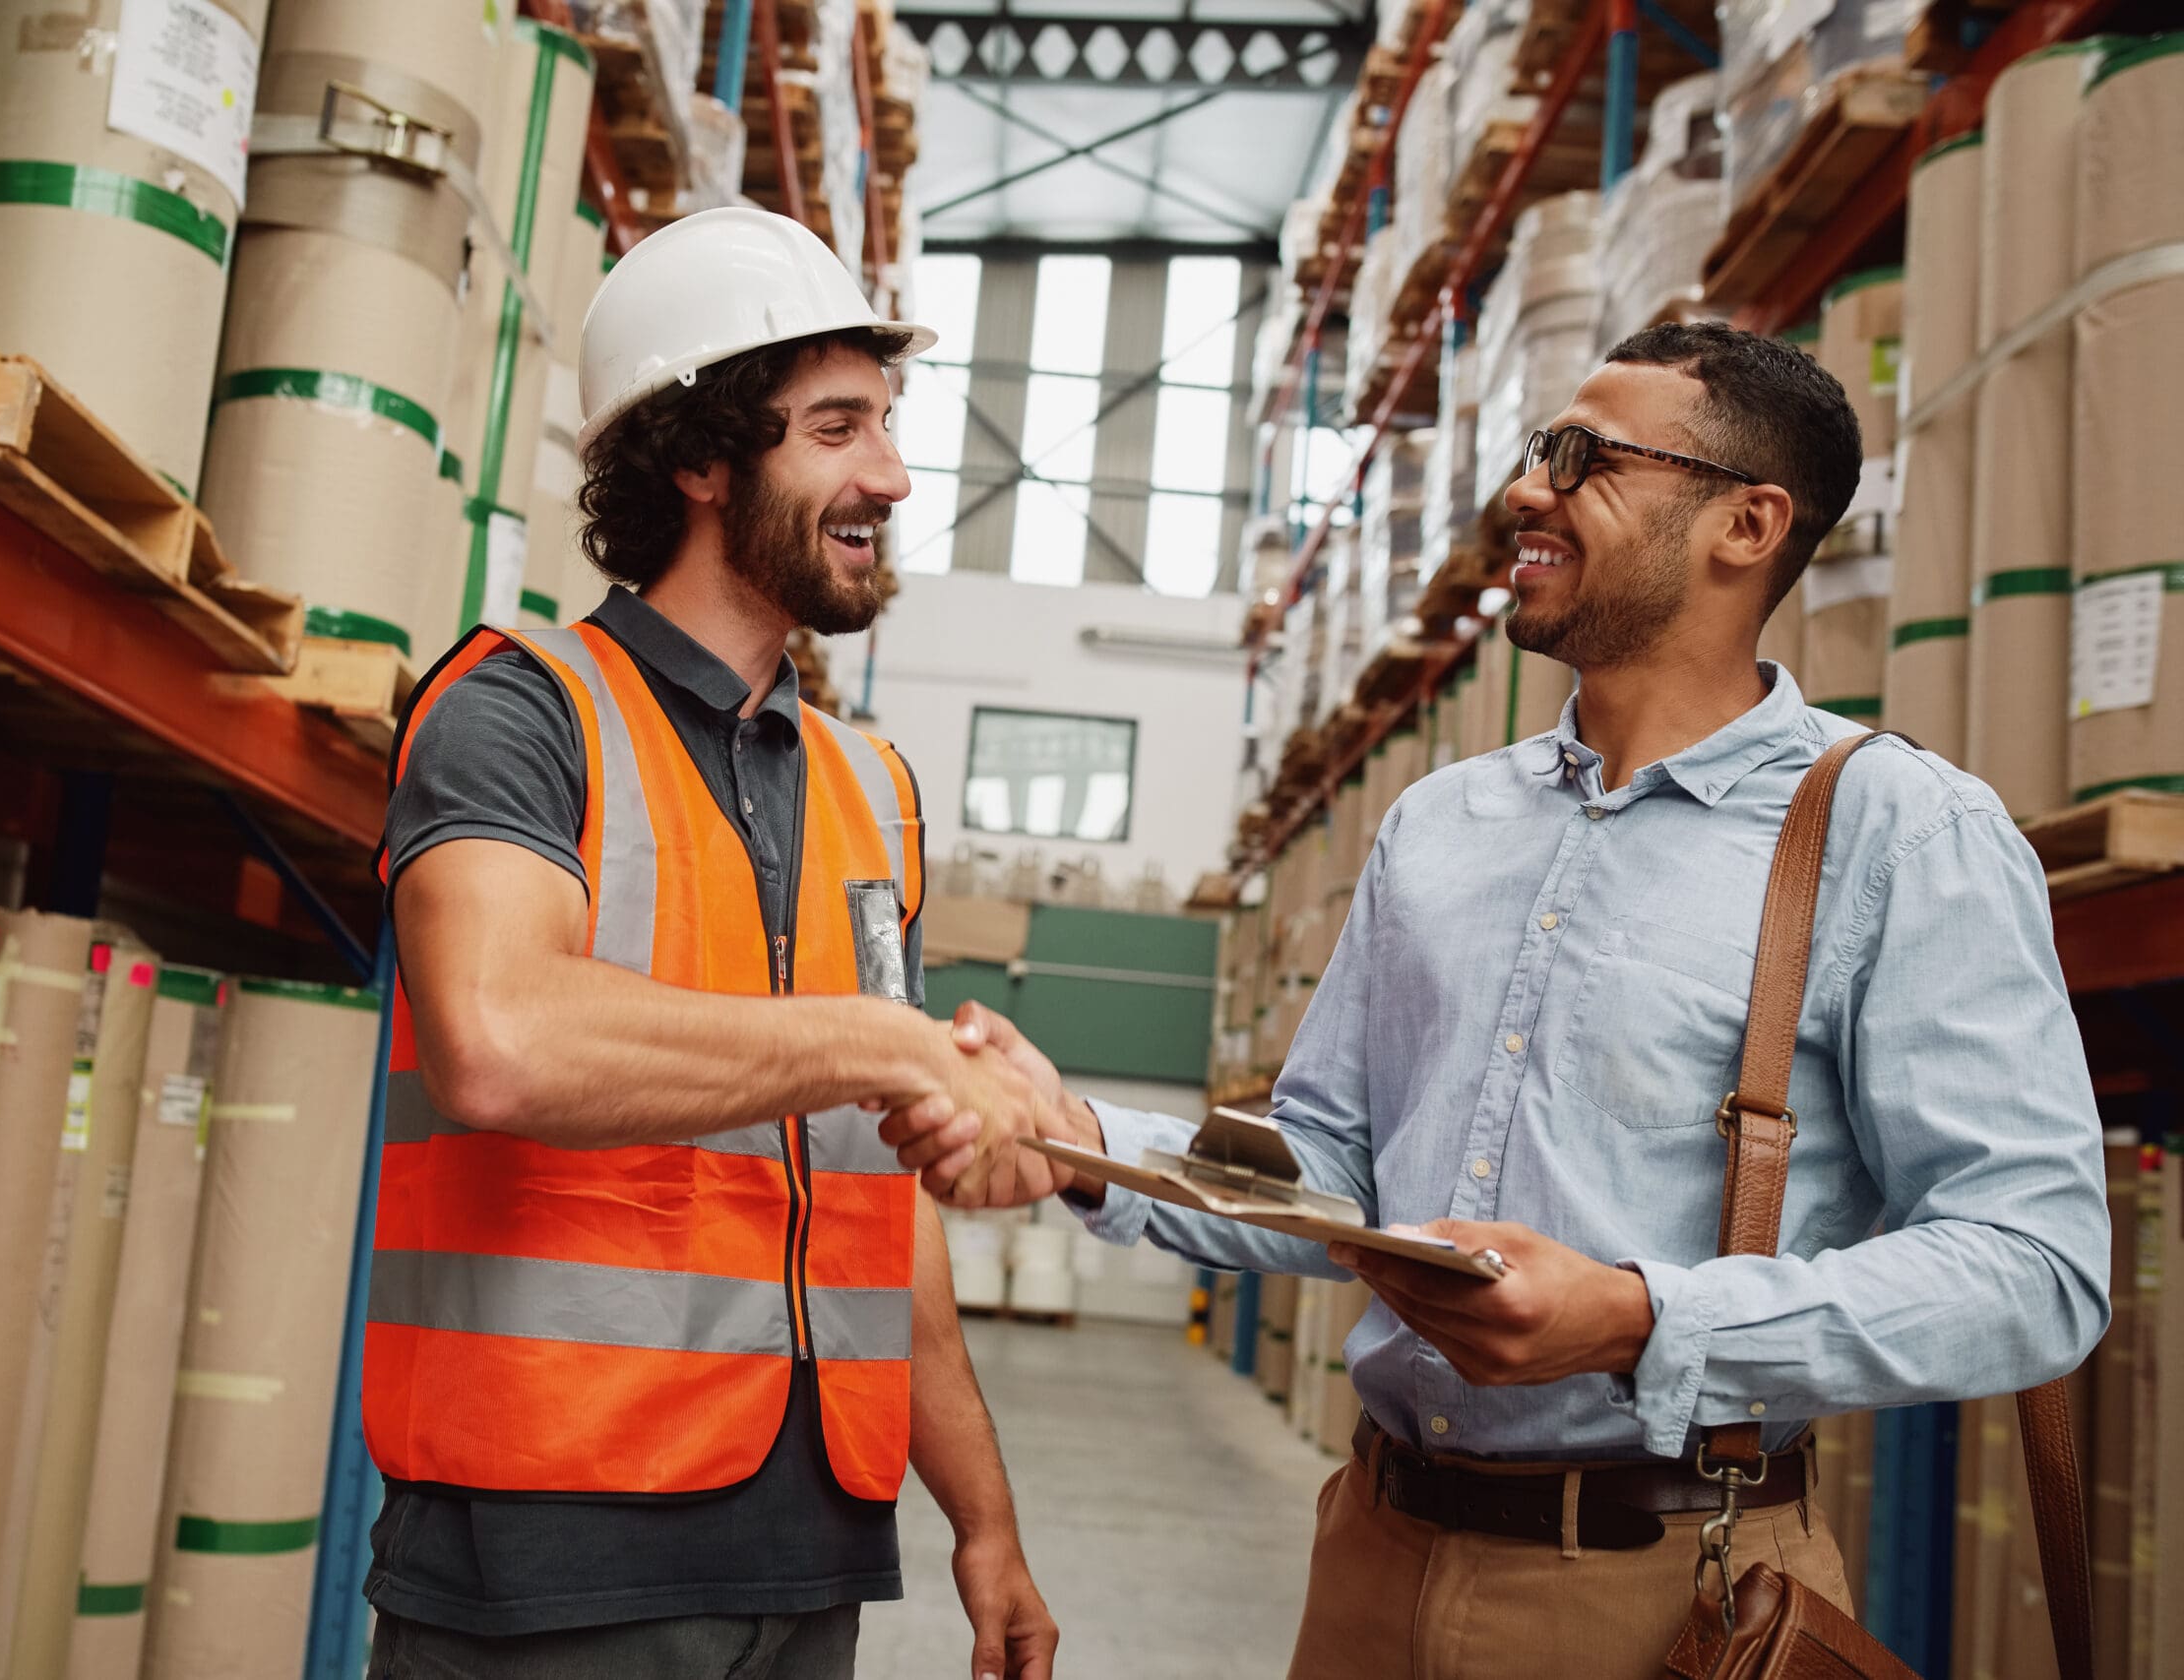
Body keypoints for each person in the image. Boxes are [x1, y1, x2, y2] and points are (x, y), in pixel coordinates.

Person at [885, 322, 2112, 1680]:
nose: (1527, 490)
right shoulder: (1443, 823)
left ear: (1747, 525)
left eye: (1584, 459)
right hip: (1373, 1554)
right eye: (1540, 450)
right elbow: (1341, 1179)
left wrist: (1647, 1320)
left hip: (1671, 1597)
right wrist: (1078, 1138)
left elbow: (2036, 1267)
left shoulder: (1900, 835)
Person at [362, 207, 1061, 1680]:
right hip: (551, 1553)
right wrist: (880, 1038)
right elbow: (497, 1041)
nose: (889, 472)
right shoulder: (520, 712)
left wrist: (983, 1522)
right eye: (834, 428)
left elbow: (881, 1202)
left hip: (810, 1556)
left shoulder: (874, 789)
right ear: (699, 459)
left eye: (884, 424)